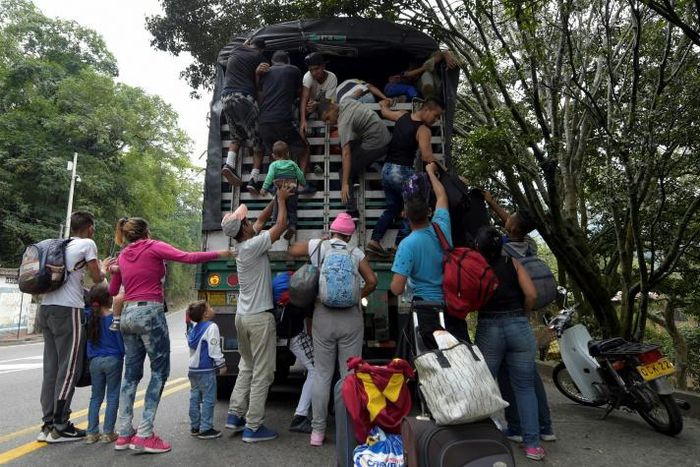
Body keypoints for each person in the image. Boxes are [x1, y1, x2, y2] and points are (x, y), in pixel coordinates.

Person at [107, 217, 232, 453]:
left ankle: (124, 434)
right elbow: (187, 257)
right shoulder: (153, 246)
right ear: (146, 231)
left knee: (131, 376)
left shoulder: (123, 256)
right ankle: (145, 434)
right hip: (150, 312)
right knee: (159, 373)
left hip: (127, 315)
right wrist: (220, 253)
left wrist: (112, 270)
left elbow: (113, 291)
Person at [288, 213, 378, 446]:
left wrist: (320, 241)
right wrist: (357, 296)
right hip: (350, 319)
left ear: (333, 230)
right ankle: (348, 428)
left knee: (321, 374)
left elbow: (292, 250)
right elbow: (372, 281)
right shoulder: (355, 253)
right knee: (349, 375)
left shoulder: (319, 247)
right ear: (349, 236)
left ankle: (317, 432)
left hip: (323, 317)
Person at [221, 186, 294, 443]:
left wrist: (276, 198)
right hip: (260, 319)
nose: (253, 221)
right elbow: (281, 224)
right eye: (247, 220)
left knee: (247, 366)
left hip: (242, 317)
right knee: (263, 373)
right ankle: (253, 426)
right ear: (243, 228)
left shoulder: (244, 244)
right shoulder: (254, 245)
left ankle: (234, 414)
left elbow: (262, 220)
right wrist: (283, 202)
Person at [482, 192, 556, 444]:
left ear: (511, 226)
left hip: (502, 317)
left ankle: (514, 427)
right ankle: (543, 428)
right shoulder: (529, 245)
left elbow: (507, 227)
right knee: (529, 377)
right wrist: (492, 202)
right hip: (523, 315)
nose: (506, 219)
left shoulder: (503, 250)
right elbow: (513, 224)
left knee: (504, 375)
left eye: (509, 218)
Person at [473, 226, 545, 461]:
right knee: (525, 387)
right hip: (518, 326)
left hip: (489, 328)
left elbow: (474, 300)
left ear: (478, 247)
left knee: (484, 385)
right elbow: (532, 295)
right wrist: (521, 315)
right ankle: (532, 444)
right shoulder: (512, 262)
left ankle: (481, 441)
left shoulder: (478, 268)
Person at [38, 211, 105, 444]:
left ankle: (47, 424)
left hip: (46, 309)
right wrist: (105, 267)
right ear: (89, 228)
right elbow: (98, 278)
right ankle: (60, 425)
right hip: (68, 311)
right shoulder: (87, 244)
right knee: (69, 369)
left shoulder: (59, 245)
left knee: (52, 368)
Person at [389, 164, 469, 348]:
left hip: (426, 312)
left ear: (406, 216)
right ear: (429, 211)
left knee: (432, 360)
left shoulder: (407, 245)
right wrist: (431, 173)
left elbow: (397, 288)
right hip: (451, 305)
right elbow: (442, 196)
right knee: (459, 357)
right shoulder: (441, 226)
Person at [366, 98, 445, 257]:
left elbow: (385, 112)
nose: (436, 121)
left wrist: (384, 104)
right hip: (402, 172)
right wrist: (444, 168)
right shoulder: (423, 130)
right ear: (427, 110)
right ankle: (398, 247)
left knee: (393, 208)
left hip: (387, 171)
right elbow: (427, 156)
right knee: (415, 208)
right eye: (436, 116)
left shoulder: (402, 115)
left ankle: (374, 241)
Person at [319, 98, 391, 214]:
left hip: (377, 144)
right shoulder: (346, 101)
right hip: (383, 135)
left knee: (344, 172)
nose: (328, 122)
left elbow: (346, 154)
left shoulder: (344, 123)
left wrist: (345, 184)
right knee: (343, 143)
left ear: (332, 108)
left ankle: (352, 211)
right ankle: (360, 171)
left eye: (327, 118)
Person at [252, 50, 310, 193]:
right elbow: (299, 91)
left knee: (274, 153)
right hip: (283, 119)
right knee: (304, 149)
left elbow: (258, 90)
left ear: (272, 62)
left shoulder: (265, 73)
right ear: (288, 61)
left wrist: (257, 74)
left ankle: (276, 187)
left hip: (264, 122)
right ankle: (301, 184)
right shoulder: (293, 70)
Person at [219, 38, 269, 188]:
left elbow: (245, 43)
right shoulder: (259, 57)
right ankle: (253, 180)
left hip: (225, 98)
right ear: (261, 50)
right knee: (257, 140)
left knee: (236, 136)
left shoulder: (235, 50)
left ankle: (229, 164)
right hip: (244, 98)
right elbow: (260, 85)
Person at [271, 272, 315, 434]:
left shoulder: (279, 292)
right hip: (293, 334)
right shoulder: (302, 300)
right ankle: (300, 416)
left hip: (278, 331)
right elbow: (309, 329)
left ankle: (240, 416)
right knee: (316, 371)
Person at [84, 282, 124, 444]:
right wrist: (123, 354)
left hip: (94, 361)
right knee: (113, 395)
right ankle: (108, 432)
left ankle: (91, 433)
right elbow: (120, 342)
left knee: (95, 397)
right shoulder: (113, 319)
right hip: (113, 359)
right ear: (109, 299)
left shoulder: (89, 317)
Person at [187, 300, 227, 440]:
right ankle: (206, 428)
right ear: (205, 314)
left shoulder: (194, 328)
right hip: (206, 369)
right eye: (209, 307)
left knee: (195, 398)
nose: (212, 308)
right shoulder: (211, 327)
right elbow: (214, 347)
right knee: (209, 399)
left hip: (193, 369)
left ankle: (195, 426)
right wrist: (221, 364)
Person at [260, 140, 306, 240]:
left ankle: (274, 225)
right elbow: (300, 175)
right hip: (292, 190)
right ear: (288, 153)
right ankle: (292, 225)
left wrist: (264, 188)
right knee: (292, 209)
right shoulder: (292, 164)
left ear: (273, 155)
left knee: (277, 206)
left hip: (280, 190)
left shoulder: (274, 165)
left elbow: (269, 177)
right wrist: (303, 183)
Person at [384, 50, 458, 100]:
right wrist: (423, 68)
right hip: (393, 90)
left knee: (423, 79)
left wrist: (447, 56)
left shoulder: (423, 76)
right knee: (411, 91)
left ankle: (427, 96)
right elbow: (408, 74)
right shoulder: (404, 75)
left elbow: (442, 53)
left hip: (427, 90)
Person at [299, 52, 338, 135]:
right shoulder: (308, 76)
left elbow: (330, 103)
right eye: (311, 70)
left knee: (333, 109)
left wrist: (317, 104)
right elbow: (304, 99)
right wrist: (303, 121)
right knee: (308, 131)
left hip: (324, 108)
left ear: (323, 66)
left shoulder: (332, 77)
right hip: (311, 109)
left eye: (316, 69)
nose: (313, 73)